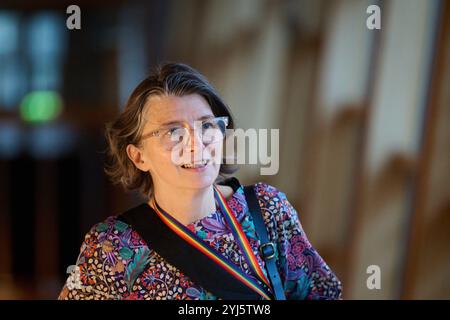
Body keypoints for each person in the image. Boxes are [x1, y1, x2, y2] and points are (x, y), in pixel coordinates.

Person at [58, 62, 342, 300]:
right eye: (173, 132)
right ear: (138, 156)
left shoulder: (267, 211)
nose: (196, 144)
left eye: (206, 125)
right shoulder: (113, 246)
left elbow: (323, 295)